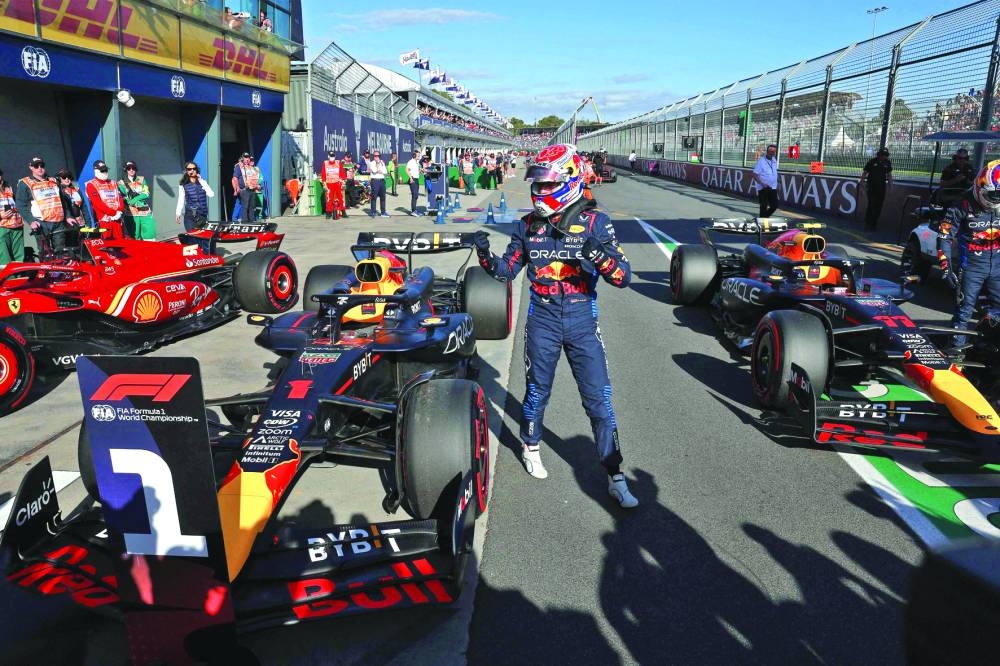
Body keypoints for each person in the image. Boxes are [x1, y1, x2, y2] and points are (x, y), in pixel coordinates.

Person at [472, 143, 638, 508]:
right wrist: (485, 256)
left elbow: (623, 277)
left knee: (599, 400)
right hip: (542, 317)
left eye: (548, 185)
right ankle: (530, 446)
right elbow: (506, 272)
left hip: (582, 318)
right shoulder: (527, 225)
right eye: (537, 184)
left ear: (569, 181)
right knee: (537, 391)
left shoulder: (597, 222)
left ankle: (615, 474)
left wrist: (595, 253)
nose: (539, 192)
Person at [938, 159, 1000, 349]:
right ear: (980, 187)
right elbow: (944, 236)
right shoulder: (960, 206)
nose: (997, 199)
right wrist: (946, 267)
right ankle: (955, 353)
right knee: (964, 312)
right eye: (994, 195)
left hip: (997, 267)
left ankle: (988, 344)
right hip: (971, 268)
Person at [15, 156, 69, 253]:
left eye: (42, 165)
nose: (39, 168)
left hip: (58, 222)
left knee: (62, 252)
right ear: (31, 167)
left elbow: (63, 201)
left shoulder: (54, 181)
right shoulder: (25, 183)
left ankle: (60, 269)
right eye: (36, 166)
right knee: (45, 253)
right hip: (41, 223)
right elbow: (20, 205)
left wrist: (68, 216)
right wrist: (31, 221)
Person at [176, 162, 214, 252]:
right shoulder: (183, 185)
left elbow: (211, 194)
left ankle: (206, 258)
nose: (192, 171)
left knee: (204, 240)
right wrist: (178, 212)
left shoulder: (202, 182)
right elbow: (181, 199)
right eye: (189, 169)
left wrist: (201, 181)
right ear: (186, 171)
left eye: (194, 168)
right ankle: (195, 258)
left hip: (202, 215)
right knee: (193, 239)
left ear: (196, 170)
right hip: (190, 216)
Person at [84, 160, 125, 240]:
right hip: (104, 220)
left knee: (120, 242)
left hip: (117, 218)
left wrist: (119, 211)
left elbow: (119, 198)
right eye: (102, 170)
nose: (105, 172)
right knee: (107, 244)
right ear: (96, 171)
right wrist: (112, 213)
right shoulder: (91, 184)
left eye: (106, 170)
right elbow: (97, 203)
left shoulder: (113, 182)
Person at [118, 161, 156, 240]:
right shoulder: (121, 183)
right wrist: (128, 200)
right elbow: (122, 197)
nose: (131, 170)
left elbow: (146, 193)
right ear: (126, 170)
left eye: (133, 168)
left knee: (150, 235)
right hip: (131, 214)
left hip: (145, 212)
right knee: (135, 237)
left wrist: (134, 199)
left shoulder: (141, 179)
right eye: (129, 168)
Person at [859, 147, 893, 232]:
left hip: (881, 187)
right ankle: (867, 223)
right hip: (871, 186)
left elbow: (889, 175)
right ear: (879, 154)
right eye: (883, 155)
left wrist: (890, 187)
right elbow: (865, 173)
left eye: (886, 155)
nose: (884, 156)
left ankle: (874, 224)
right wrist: (862, 186)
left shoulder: (887, 163)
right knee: (871, 204)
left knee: (878, 206)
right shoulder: (872, 161)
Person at [55, 169, 86, 248]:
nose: (67, 179)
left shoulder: (76, 189)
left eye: (69, 177)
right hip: (67, 225)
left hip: (80, 223)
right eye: (64, 177)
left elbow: (84, 207)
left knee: (82, 246)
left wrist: (88, 222)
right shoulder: (57, 190)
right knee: (70, 247)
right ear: (59, 179)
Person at [0, 169, 25, 264]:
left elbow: (16, 204)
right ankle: (8, 278)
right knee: (4, 257)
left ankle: (19, 278)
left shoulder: (8, 187)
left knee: (19, 256)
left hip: (16, 225)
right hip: (2, 227)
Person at [232, 151, 261, 223]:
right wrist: (236, 188)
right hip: (243, 189)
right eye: (245, 157)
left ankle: (251, 220)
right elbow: (234, 178)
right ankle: (241, 220)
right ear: (243, 158)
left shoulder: (252, 168)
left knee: (251, 206)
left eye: (248, 157)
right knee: (243, 205)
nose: (247, 159)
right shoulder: (239, 166)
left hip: (251, 189)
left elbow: (255, 178)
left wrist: (256, 186)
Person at [752, 144, 779, 218]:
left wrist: (778, 182)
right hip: (763, 187)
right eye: (770, 151)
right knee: (763, 206)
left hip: (773, 187)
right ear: (767, 151)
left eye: (773, 151)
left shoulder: (774, 160)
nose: (772, 153)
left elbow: (774, 172)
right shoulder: (761, 161)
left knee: (774, 206)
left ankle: (763, 218)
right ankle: (762, 221)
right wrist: (762, 183)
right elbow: (754, 174)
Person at [321, 150, 346, 220]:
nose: (332, 158)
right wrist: (324, 183)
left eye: (333, 156)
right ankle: (328, 213)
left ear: (335, 156)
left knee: (341, 198)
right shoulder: (325, 163)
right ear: (328, 156)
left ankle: (343, 212)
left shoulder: (338, 162)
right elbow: (323, 174)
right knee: (329, 199)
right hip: (329, 184)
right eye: (331, 156)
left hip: (337, 183)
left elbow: (342, 173)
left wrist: (343, 181)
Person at [368, 150, 389, 218]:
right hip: (375, 181)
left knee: (383, 197)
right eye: (375, 156)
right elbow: (374, 171)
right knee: (374, 197)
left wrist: (380, 170)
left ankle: (383, 212)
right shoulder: (371, 163)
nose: (377, 157)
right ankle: (373, 212)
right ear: (373, 156)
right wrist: (377, 166)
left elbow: (385, 171)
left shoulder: (382, 162)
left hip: (382, 181)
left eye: (378, 156)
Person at [406, 150, 422, 216]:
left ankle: (414, 210)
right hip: (413, 179)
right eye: (418, 155)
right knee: (414, 195)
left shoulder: (416, 162)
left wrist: (421, 170)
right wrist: (410, 178)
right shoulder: (411, 162)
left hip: (417, 179)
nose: (419, 156)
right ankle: (413, 211)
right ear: (414, 155)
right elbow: (406, 170)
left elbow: (417, 170)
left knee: (416, 196)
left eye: (419, 155)